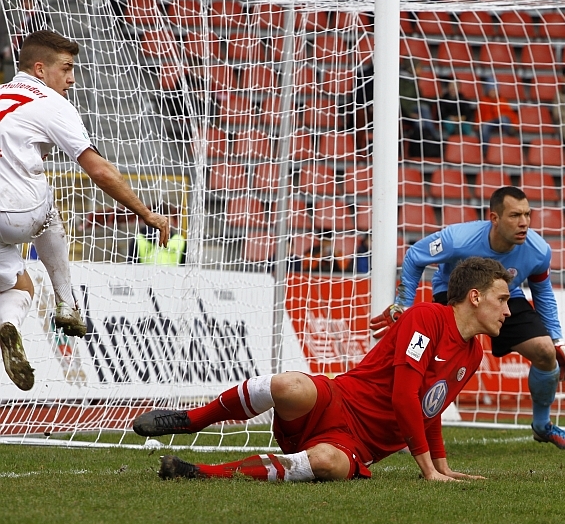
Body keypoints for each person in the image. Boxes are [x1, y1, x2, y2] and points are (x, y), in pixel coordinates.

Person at [133, 257, 512, 483]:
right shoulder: (427, 317)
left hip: (357, 446)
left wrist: (443, 467)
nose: (508, 311)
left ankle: (199, 472)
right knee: (289, 385)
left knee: (326, 463)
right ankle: (191, 420)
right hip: (339, 401)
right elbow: (403, 397)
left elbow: (431, 409)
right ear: (475, 297)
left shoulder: (472, 354)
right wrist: (427, 469)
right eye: (502, 299)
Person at [0, 30, 168, 390]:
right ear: (40, 70)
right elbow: (99, 171)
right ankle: (67, 304)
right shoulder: (51, 103)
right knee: (49, 208)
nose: (72, 78)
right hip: (16, 213)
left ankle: (8, 324)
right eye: (66, 68)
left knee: (19, 285)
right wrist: (145, 212)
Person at [370, 186, 565, 450]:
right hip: (456, 294)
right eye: (515, 215)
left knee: (545, 352)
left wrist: (557, 339)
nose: (524, 222)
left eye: (527, 214)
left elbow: (543, 293)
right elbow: (415, 256)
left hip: (504, 296)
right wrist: (403, 304)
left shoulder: (538, 250)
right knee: (434, 365)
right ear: (494, 218)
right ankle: (403, 426)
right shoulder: (458, 239)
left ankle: (542, 425)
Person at [478, 75, 519, 149]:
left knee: (504, 119)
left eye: (494, 90)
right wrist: (478, 124)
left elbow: (509, 113)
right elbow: (480, 114)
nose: (493, 92)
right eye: (491, 90)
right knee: (484, 127)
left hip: (500, 120)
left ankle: (511, 135)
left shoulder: (502, 100)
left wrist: (515, 125)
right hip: (489, 121)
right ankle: (485, 150)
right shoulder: (483, 101)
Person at [436, 73, 476, 139]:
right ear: (447, 87)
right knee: (447, 123)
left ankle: (469, 140)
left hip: (462, 120)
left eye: (455, 86)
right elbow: (441, 114)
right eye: (451, 86)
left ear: (459, 88)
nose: (453, 88)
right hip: (449, 121)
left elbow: (468, 114)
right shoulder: (443, 100)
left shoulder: (463, 99)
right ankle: (453, 137)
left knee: (467, 127)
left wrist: (462, 118)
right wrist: (451, 118)